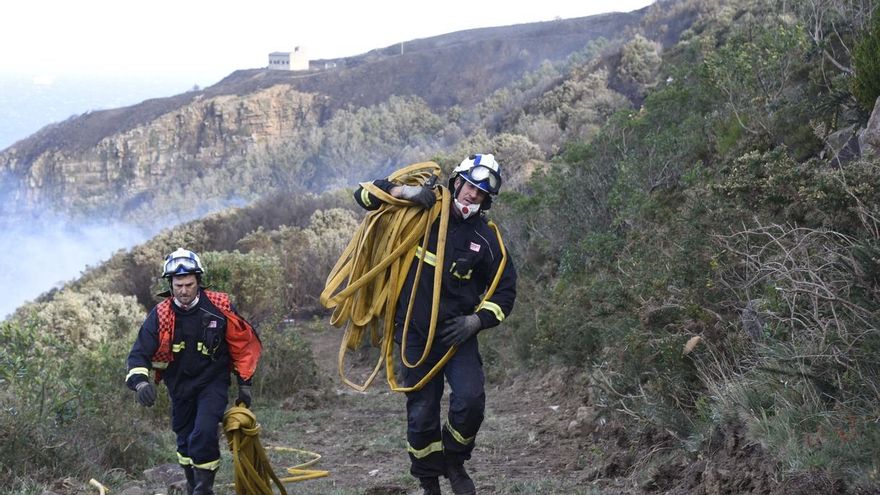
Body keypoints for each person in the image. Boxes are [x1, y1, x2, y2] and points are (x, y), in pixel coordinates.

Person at [353, 154, 517, 495]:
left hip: (457, 335)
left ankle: (454, 460)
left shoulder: (487, 239)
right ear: (457, 181)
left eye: (481, 193)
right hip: (415, 333)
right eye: (470, 186)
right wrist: (405, 192)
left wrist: (476, 321)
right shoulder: (419, 212)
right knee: (422, 412)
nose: (472, 195)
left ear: (487, 200)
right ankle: (429, 481)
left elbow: (504, 293)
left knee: (470, 401)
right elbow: (363, 195)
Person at [125, 248, 262, 495]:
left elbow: (242, 346)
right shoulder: (161, 315)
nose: (184, 290)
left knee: (204, 432)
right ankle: (192, 485)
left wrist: (245, 384)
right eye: (178, 285)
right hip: (179, 387)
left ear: (198, 281)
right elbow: (139, 353)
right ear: (171, 284)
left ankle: (204, 490)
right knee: (184, 438)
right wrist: (141, 383)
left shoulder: (219, 307)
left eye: (189, 284)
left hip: (213, 383)